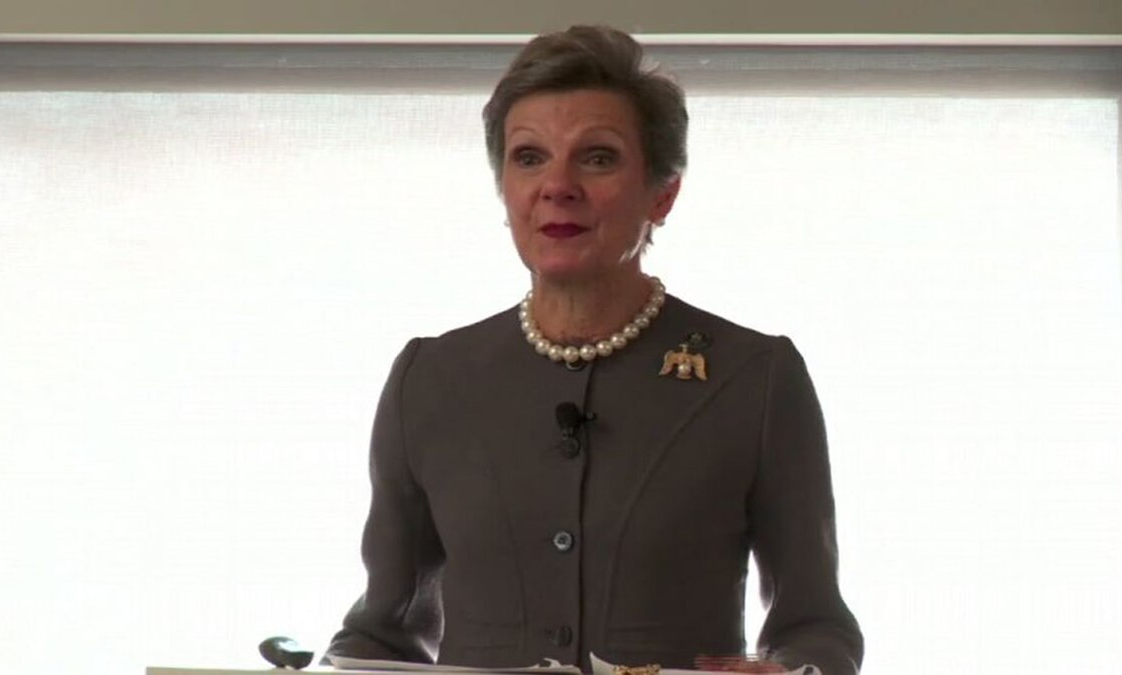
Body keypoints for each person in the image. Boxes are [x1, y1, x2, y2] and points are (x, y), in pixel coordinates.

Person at [325, 25, 863, 675]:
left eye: (598, 158)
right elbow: (381, 633)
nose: (557, 185)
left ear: (663, 193)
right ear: (505, 189)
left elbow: (816, 627)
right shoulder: (430, 377)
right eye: (529, 157)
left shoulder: (757, 378)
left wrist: (791, 669)